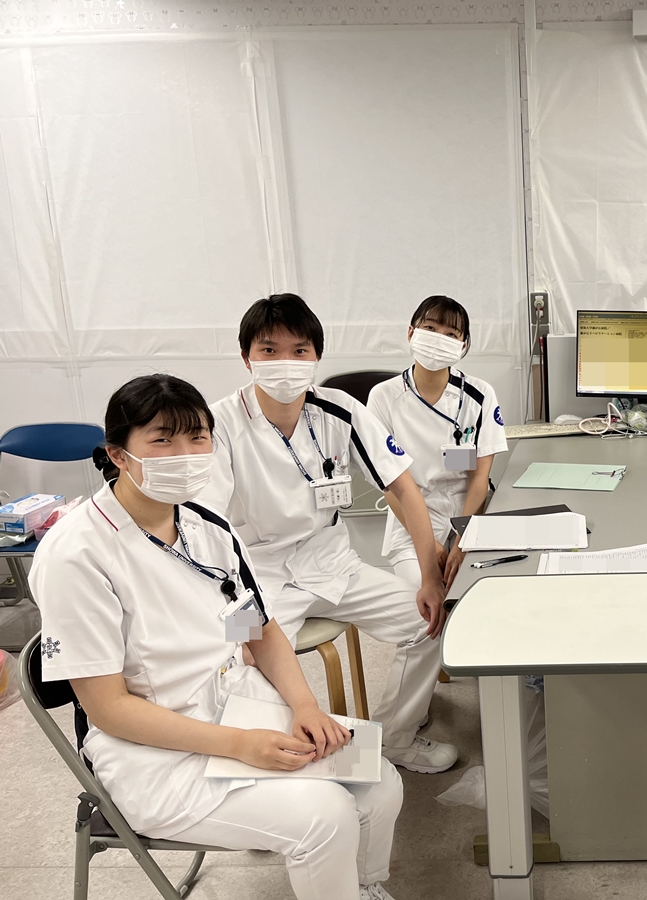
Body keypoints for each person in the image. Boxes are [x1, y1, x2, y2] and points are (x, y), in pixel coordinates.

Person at [31, 375, 404, 900]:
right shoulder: (77, 554)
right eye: (163, 440)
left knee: (380, 780)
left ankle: (362, 888)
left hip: (237, 709)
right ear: (117, 454)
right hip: (153, 753)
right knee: (327, 816)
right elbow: (108, 709)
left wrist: (305, 707)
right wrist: (241, 746)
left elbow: (257, 632)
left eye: (197, 437)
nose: (185, 454)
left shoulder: (209, 527)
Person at [201, 294, 457, 773]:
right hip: (259, 577)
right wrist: (237, 613)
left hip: (335, 564)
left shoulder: (340, 410)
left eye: (299, 350)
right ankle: (278, 765)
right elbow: (207, 525)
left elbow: (404, 488)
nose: (285, 362)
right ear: (246, 357)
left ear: (316, 356)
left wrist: (429, 577)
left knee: (430, 621)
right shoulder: (219, 425)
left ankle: (395, 738)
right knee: (236, 660)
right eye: (269, 350)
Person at [367, 295, 508, 589]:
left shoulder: (480, 394)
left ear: (463, 346)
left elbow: (480, 478)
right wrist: (427, 542)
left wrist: (464, 539)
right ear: (411, 333)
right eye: (430, 328)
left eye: (451, 334)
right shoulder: (384, 397)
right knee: (425, 600)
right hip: (412, 518)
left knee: (477, 592)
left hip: (470, 513)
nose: (438, 338)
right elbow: (389, 486)